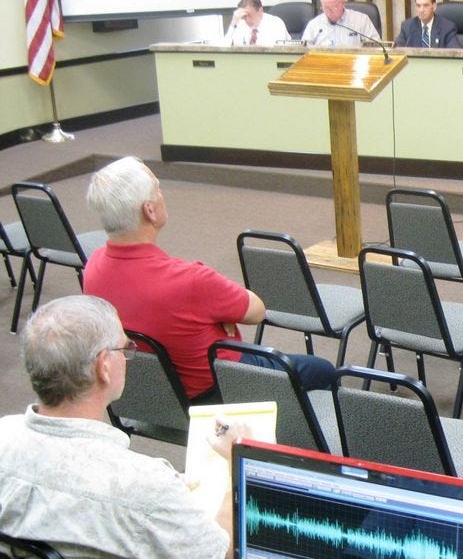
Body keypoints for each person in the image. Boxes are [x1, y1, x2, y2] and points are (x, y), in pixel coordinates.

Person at [0, 295, 236, 559]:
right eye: (124, 349)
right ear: (104, 366)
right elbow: (227, 558)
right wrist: (238, 462)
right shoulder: (143, 485)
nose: (127, 357)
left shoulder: (4, 434)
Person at [82, 156, 335, 401]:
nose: (162, 196)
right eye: (158, 190)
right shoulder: (190, 280)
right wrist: (220, 317)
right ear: (150, 211)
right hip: (219, 390)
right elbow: (256, 311)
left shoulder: (92, 267)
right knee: (323, 370)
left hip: (154, 398)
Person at [301, 0, 381, 46]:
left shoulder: (361, 20)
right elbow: (303, 50)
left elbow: (376, 46)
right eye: (325, 8)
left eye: (333, 8)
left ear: (343, 4)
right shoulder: (314, 24)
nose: (329, 12)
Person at [221, 0, 290, 47]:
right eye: (244, 16)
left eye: (249, 15)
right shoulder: (240, 24)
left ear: (260, 11)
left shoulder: (275, 24)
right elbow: (223, 48)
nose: (246, 20)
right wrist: (233, 24)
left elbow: (278, 51)